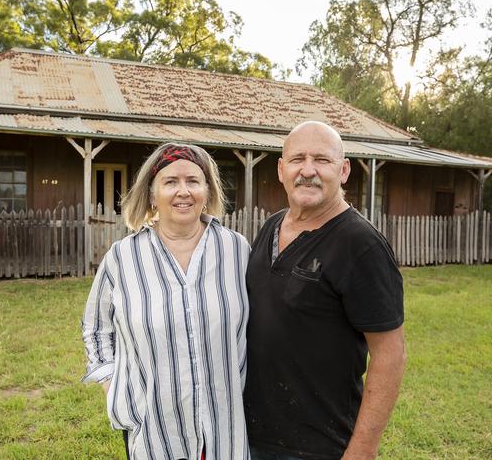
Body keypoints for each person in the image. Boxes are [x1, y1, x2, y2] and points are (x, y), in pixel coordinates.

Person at [244, 121, 406, 460]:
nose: (308, 170)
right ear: (280, 169)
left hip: (321, 444)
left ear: (344, 170)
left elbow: (390, 355)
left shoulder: (360, 245)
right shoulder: (271, 225)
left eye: (322, 160)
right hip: (251, 434)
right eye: (297, 159)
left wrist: (362, 448)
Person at [82, 143, 251, 460]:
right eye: (171, 181)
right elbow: (96, 328)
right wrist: (114, 386)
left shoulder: (236, 250)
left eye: (193, 181)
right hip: (153, 428)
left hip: (225, 426)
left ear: (207, 190)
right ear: (151, 194)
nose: (183, 191)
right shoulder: (123, 258)